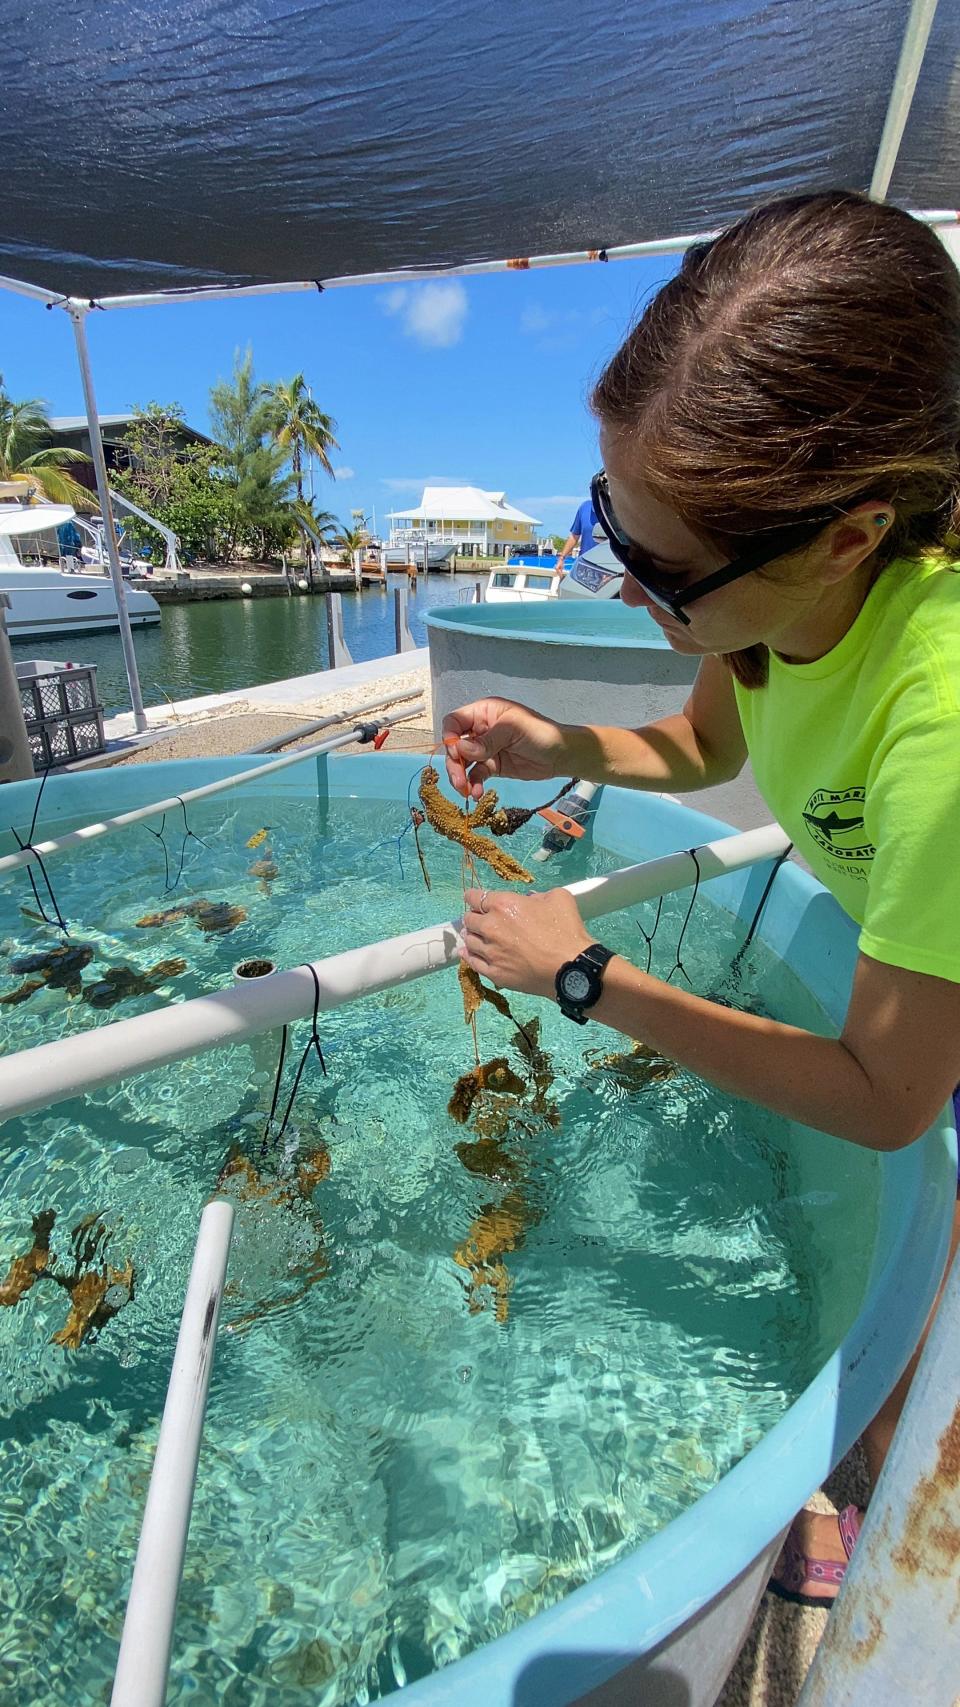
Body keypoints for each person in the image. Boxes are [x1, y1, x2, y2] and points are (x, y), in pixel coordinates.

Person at [443, 191, 960, 1609]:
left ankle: (866, 1477)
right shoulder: (777, 613)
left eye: (664, 570)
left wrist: (587, 977)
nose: (628, 583)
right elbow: (703, 748)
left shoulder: (944, 723)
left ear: (852, 532)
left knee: (925, 1270)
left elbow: (889, 1096)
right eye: (614, 520)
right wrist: (558, 742)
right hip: (924, 955)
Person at [554, 492, 602, 575]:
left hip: (605, 568)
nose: (593, 491)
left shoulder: (614, 510)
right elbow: (574, 536)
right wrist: (562, 558)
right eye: (591, 488)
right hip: (584, 566)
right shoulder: (584, 507)